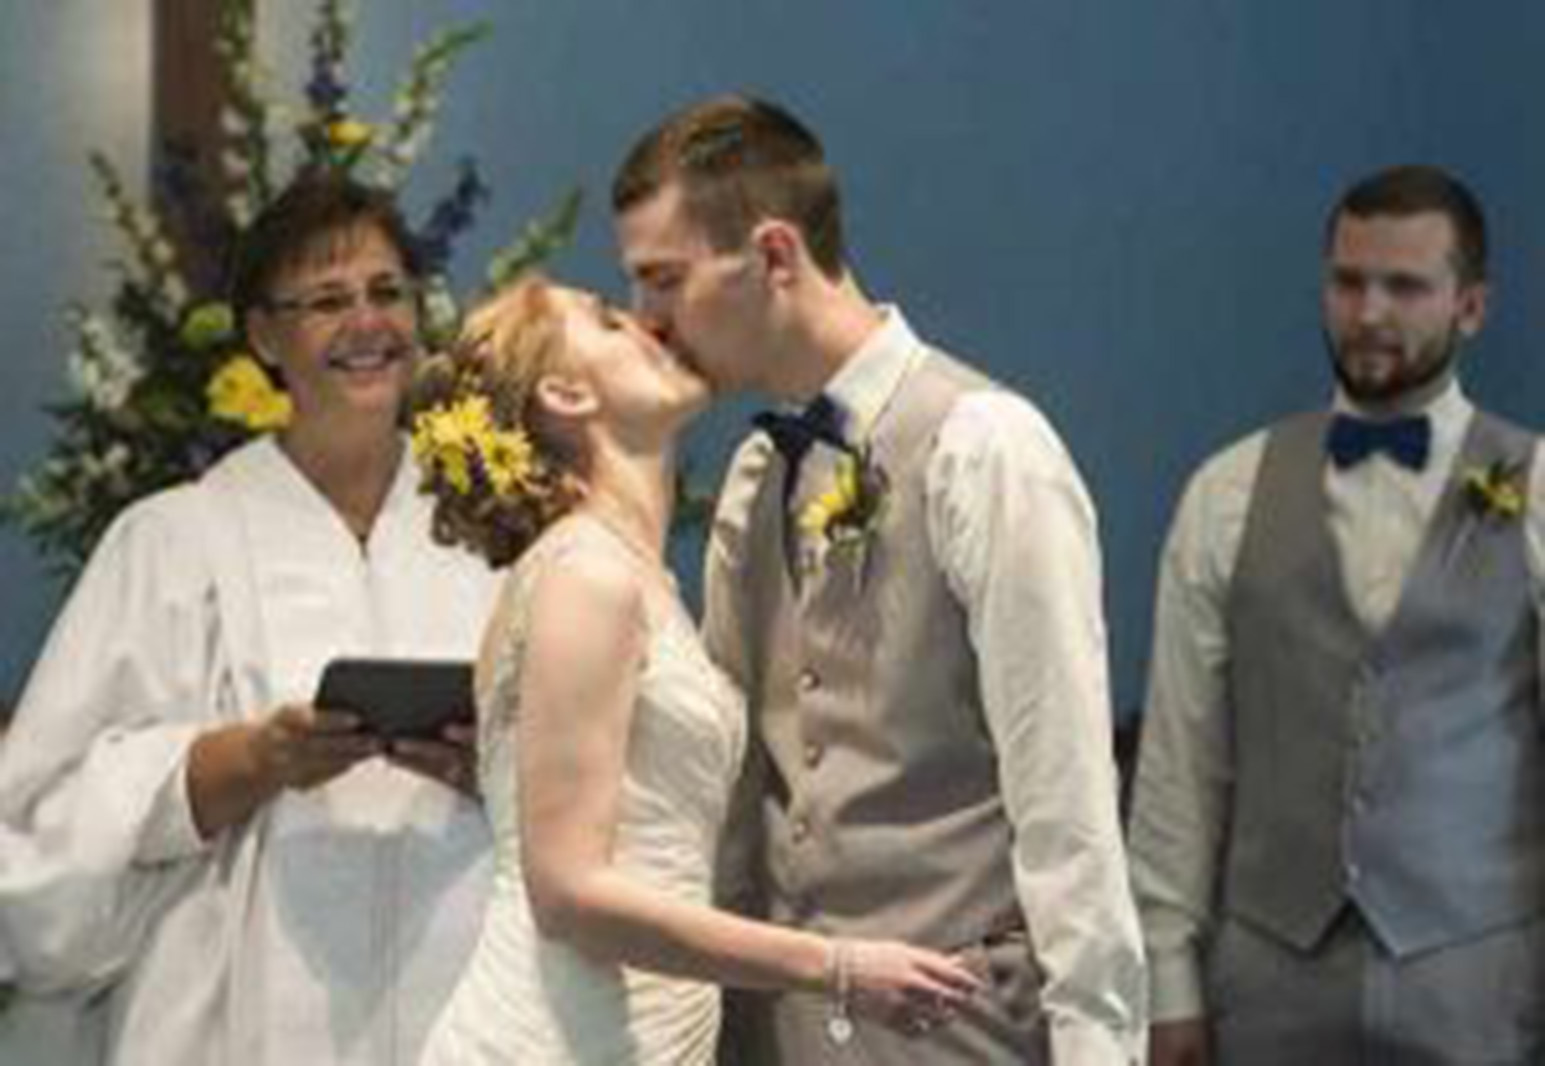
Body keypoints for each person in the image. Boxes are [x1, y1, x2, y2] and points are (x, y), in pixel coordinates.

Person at [612, 94, 1146, 1064]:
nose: (646, 322)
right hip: (777, 1030)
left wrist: (1100, 1047)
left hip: (966, 1029)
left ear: (774, 256)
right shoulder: (753, 473)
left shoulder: (988, 447)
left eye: (665, 281)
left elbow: (1065, 793)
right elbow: (736, 785)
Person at [411, 275, 981, 1065]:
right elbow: (568, 894)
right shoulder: (586, 576)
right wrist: (837, 967)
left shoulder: (637, 580)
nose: (649, 322)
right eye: (610, 322)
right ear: (566, 393)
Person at [0, 171, 501, 1065]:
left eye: (387, 293)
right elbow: (35, 831)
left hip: (468, 1008)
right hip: (231, 1024)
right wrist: (234, 764)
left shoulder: (491, 533)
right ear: (264, 335)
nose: (367, 324)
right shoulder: (169, 544)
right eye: (326, 301)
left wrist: (494, 768)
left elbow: (601, 787)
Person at [1128, 163, 1545, 1064]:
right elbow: (1180, 763)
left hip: (1478, 988)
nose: (1367, 313)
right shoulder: (1225, 492)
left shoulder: (1537, 489)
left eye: (1404, 286)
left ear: (1469, 307)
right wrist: (1167, 982)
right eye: (1348, 281)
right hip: (1266, 984)